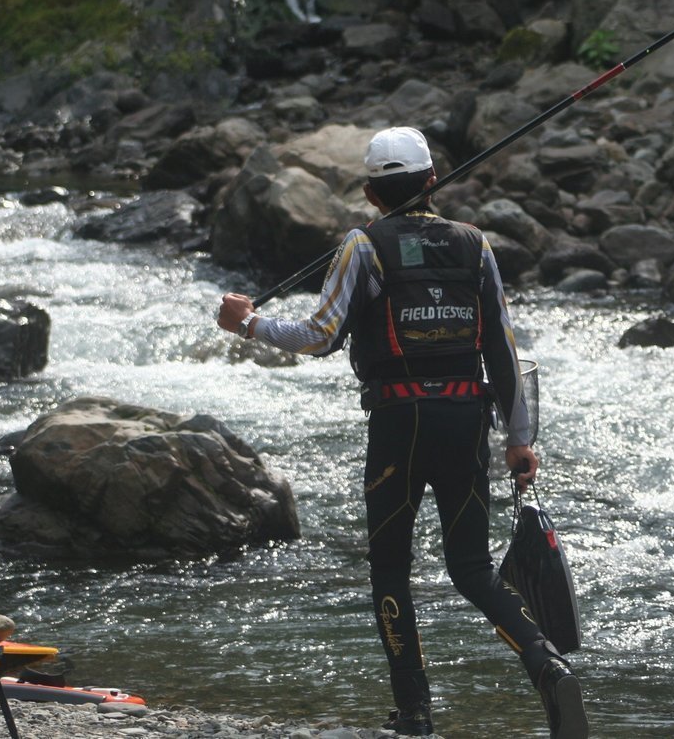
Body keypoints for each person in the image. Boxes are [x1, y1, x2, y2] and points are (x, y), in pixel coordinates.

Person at [216, 126, 588, 738]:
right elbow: (503, 345)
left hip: (399, 424)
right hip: (468, 420)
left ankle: (414, 714)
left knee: (390, 569)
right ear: (432, 181)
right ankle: (544, 662)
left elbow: (319, 334)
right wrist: (520, 440)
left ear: (369, 192)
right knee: (470, 570)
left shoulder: (363, 245)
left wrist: (249, 322)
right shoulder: (476, 245)